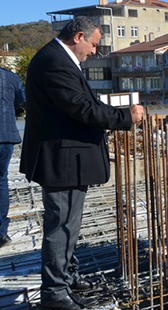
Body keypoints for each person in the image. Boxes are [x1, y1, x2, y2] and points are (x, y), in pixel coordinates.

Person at [20, 17, 144, 309]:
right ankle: (55, 293)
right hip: (61, 161)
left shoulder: (60, 59)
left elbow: (86, 100)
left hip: (67, 160)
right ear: (78, 37)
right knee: (61, 227)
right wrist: (125, 118)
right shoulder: (54, 62)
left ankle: (67, 276)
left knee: (69, 226)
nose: (94, 52)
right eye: (94, 44)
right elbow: (80, 108)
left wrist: (120, 111)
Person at [0, 67, 25, 249]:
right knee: (1, 182)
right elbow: (22, 100)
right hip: (5, 136)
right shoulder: (10, 77)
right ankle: (1, 233)